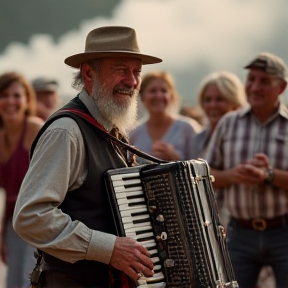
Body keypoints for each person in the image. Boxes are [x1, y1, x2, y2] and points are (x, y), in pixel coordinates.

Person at [13, 26, 162, 288]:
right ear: (89, 72)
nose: (132, 81)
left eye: (137, 71)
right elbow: (30, 217)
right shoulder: (66, 131)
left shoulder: (110, 127)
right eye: (121, 70)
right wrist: (109, 248)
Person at [205, 52, 288, 288]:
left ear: (281, 87)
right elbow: (204, 177)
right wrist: (232, 175)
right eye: (251, 79)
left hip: (283, 231)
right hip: (239, 234)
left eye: (264, 81)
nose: (255, 86)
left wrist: (269, 175)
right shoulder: (228, 123)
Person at [0, 72, 44, 288]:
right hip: (11, 223)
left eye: (16, 95)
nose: (10, 102)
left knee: (31, 283)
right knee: (13, 283)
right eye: (4, 95)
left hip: (37, 218)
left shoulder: (35, 128)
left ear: (27, 100)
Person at [129, 71, 202, 161]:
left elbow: (203, 166)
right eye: (153, 91)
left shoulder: (188, 128)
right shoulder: (133, 133)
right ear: (142, 96)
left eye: (164, 91)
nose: (159, 96)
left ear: (171, 96)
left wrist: (175, 158)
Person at [189, 71, 246, 159]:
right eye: (208, 100)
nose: (213, 105)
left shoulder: (243, 138)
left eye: (220, 99)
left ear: (235, 103)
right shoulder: (197, 140)